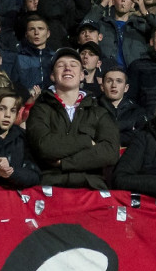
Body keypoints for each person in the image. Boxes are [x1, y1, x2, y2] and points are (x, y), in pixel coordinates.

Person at [26, 48, 122, 189]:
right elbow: (44, 147)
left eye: (73, 65)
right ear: (52, 76)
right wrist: (87, 141)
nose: (67, 69)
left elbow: (109, 152)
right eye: (61, 65)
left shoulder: (99, 112)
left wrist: (64, 163)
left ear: (82, 75)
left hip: (91, 187)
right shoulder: (40, 109)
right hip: (51, 185)